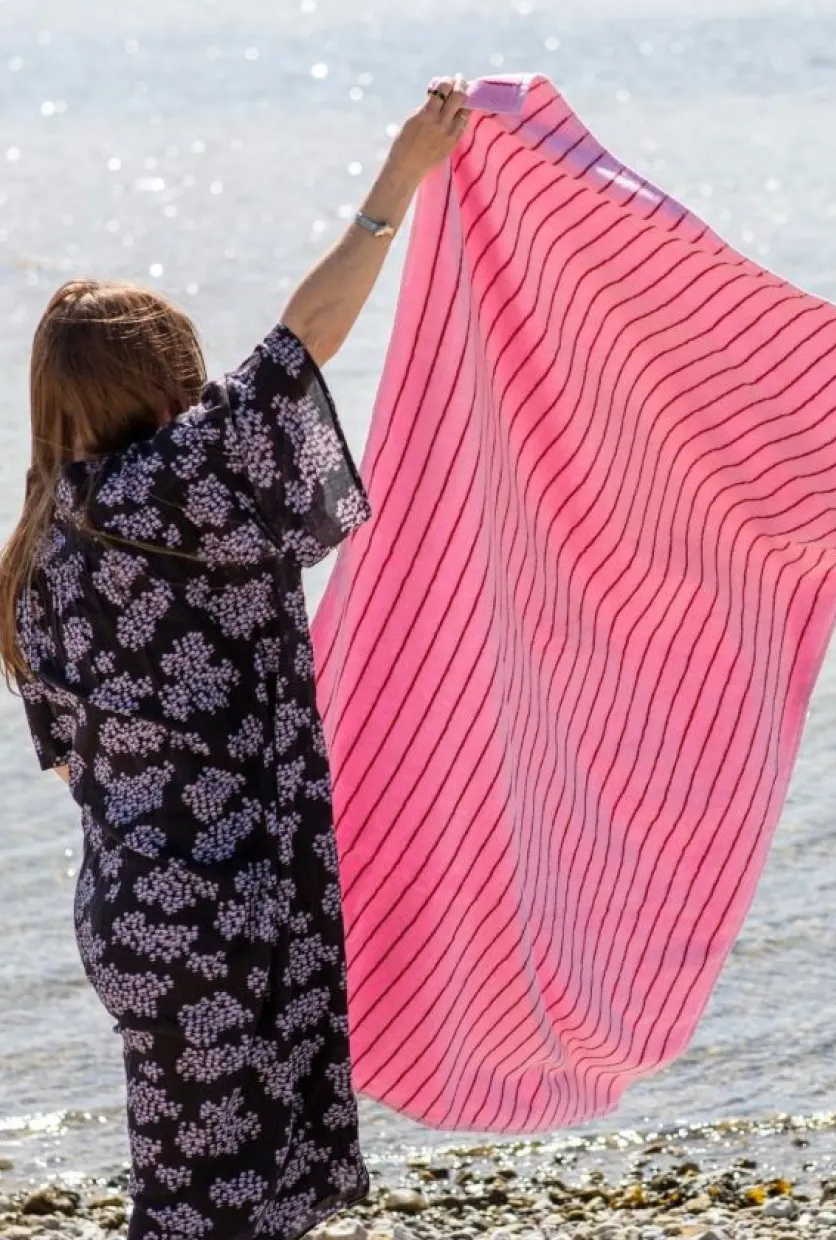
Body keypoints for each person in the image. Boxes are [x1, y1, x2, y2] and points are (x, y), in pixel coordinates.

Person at [0, 74, 471, 1240]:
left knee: (203, 1190)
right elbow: (302, 345)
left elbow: (72, 764)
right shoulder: (169, 487)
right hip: (221, 910)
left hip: (128, 910)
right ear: (158, 385)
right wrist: (400, 180)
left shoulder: (36, 550)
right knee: (216, 1207)